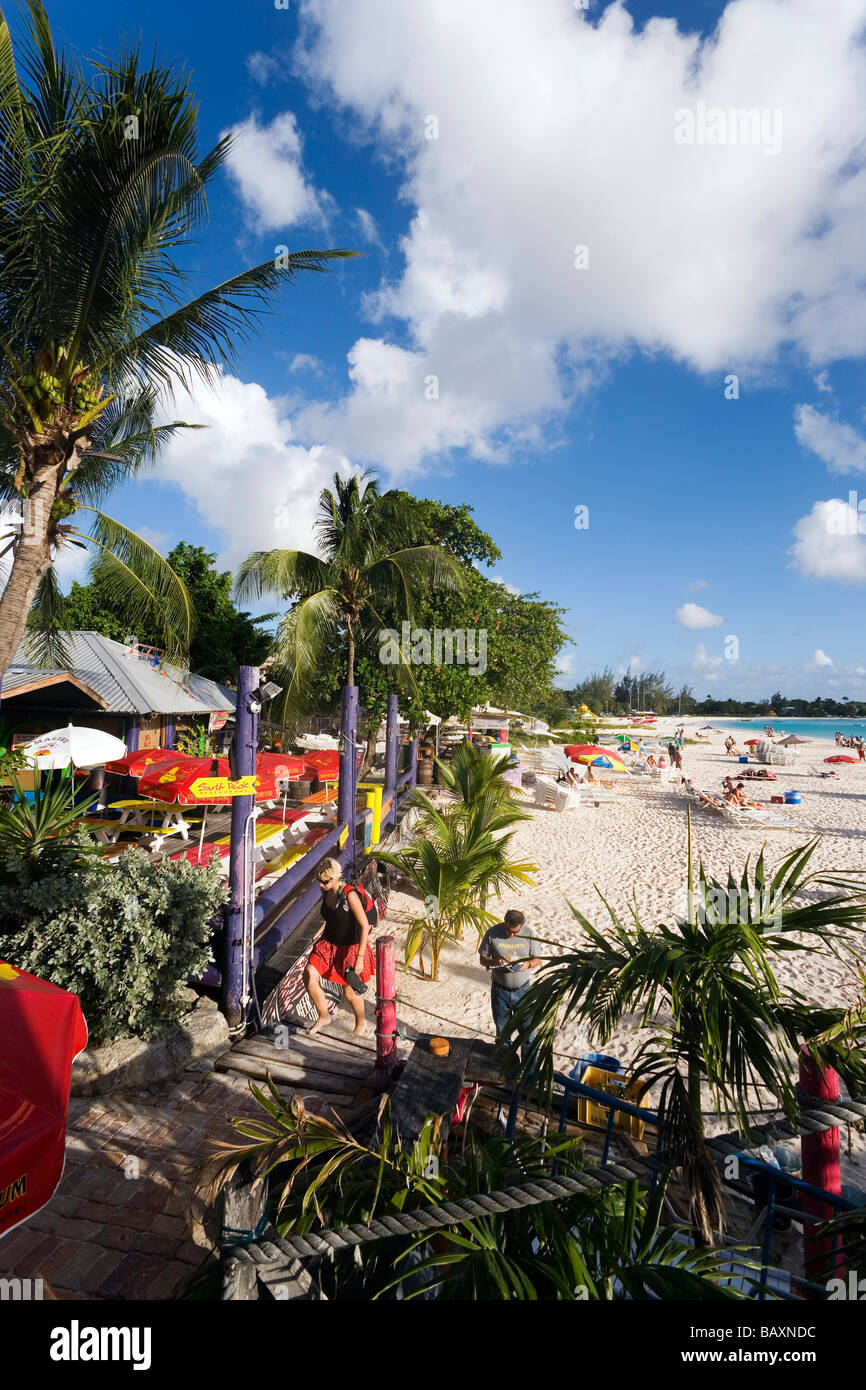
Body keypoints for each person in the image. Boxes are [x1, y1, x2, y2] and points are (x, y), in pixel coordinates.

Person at [305, 858, 376, 1035]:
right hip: (329, 943)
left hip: (350, 947)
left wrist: (359, 958)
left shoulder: (349, 895)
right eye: (319, 882)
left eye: (325, 881)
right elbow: (332, 917)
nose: (321, 885)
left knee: (350, 993)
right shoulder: (326, 892)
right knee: (308, 974)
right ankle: (323, 1015)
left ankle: (360, 1023)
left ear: (336, 877)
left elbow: (364, 926)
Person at [479, 909, 541, 1067]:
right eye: (507, 930)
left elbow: (537, 959)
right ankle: (506, 1069)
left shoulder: (529, 934)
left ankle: (529, 1072)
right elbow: (483, 959)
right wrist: (495, 962)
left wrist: (526, 965)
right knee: (503, 1033)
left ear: (521, 926)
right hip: (500, 991)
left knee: (527, 1034)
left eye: (515, 932)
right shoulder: (492, 933)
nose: (511, 935)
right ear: (504, 922)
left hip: (523, 991)